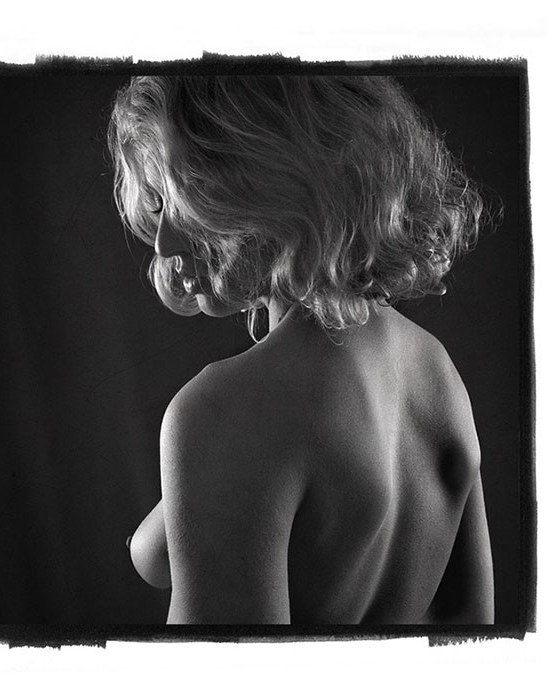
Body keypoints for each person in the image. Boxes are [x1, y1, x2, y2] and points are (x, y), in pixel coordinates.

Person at [109, 74, 495, 625]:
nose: (165, 241)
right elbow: (473, 640)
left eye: (192, 199)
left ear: (277, 185)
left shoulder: (227, 412)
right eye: (160, 204)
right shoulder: (436, 372)